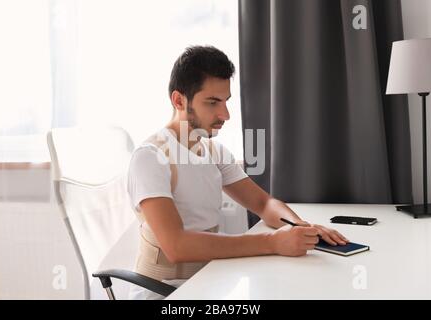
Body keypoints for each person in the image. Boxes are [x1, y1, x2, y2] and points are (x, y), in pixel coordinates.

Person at [127, 45, 348, 299]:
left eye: (225, 102)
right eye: (212, 102)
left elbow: (263, 203)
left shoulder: (214, 151)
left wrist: (300, 227)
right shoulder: (150, 158)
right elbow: (177, 246)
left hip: (211, 279)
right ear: (179, 100)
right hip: (165, 292)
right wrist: (273, 243)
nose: (225, 114)